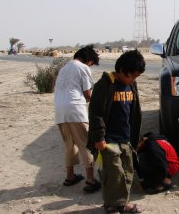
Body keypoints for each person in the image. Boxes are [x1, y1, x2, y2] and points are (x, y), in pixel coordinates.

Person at [88, 49, 145, 214]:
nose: (133, 79)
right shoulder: (105, 85)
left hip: (125, 139)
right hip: (108, 140)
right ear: (121, 70)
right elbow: (96, 113)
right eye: (131, 76)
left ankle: (121, 203)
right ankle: (111, 205)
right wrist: (98, 137)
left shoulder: (131, 86)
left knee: (127, 172)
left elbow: (134, 113)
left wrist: (137, 136)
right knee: (113, 174)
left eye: (135, 77)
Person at [54, 44, 101, 193]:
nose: (90, 66)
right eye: (92, 63)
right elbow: (88, 94)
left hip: (60, 111)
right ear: (88, 60)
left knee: (69, 144)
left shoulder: (64, 68)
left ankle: (70, 177)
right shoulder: (82, 67)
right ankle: (90, 180)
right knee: (86, 144)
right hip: (75, 110)